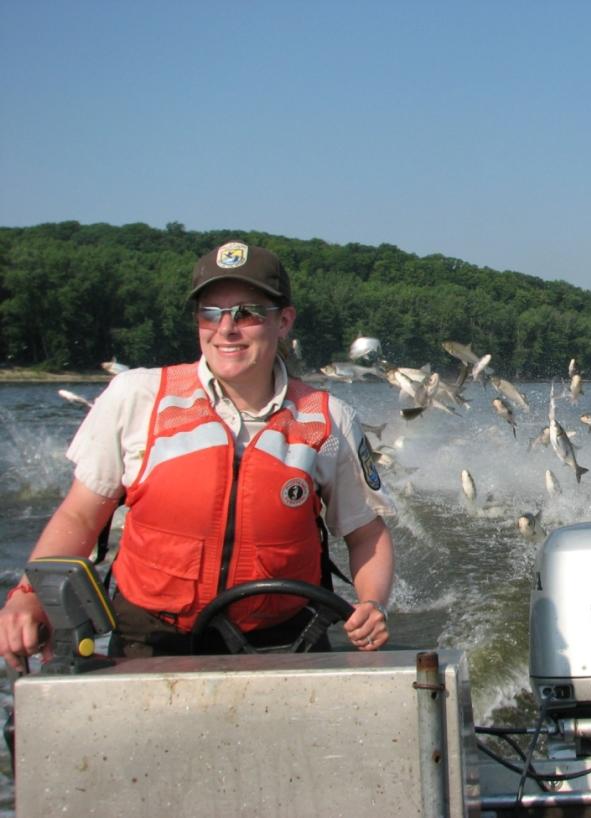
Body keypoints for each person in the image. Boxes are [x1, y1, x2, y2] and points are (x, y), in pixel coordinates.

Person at [0, 241, 395, 666]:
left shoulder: (330, 419)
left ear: (283, 322)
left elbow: (366, 533)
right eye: (211, 312)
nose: (226, 328)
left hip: (283, 642)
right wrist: (28, 597)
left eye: (247, 312)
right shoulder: (136, 397)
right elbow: (79, 516)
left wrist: (372, 602)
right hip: (148, 639)